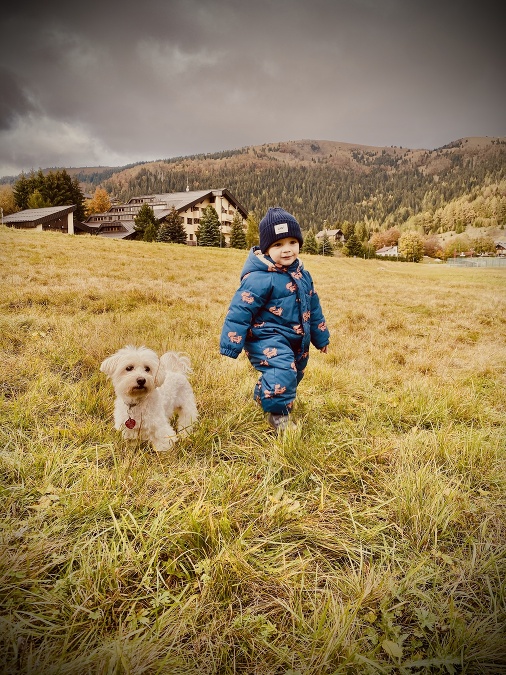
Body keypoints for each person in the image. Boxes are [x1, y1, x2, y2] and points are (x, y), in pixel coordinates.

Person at [220, 206, 330, 431]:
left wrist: (321, 338)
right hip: (265, 337)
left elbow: (314, 306)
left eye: (292, 242)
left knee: (295, 373)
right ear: (266, 248)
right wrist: (231, 344)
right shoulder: (259, 278)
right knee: (283, 371)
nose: (287, 250)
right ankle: (278, 417)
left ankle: (265, 394)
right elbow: (239, 311)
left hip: (296, 339)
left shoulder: (302, 274)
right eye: (278, 245)